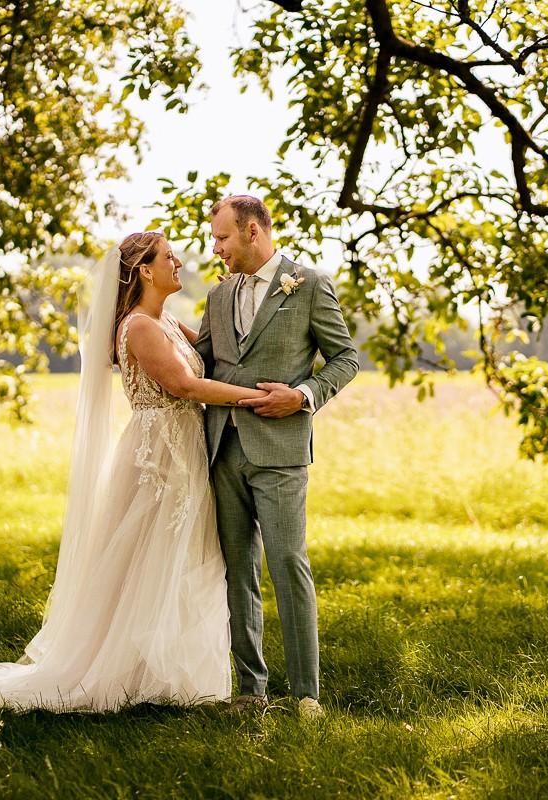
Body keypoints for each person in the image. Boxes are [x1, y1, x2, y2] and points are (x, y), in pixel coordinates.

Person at [0, 231, 269, 712]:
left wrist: (231, 298)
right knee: (148, 558)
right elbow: (185, 385)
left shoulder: (168, 323)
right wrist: (260, 398)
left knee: (179, 558)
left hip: (183, 452)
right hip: (157, 457)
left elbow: (214, 357)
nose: (178, 260)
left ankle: (165, 676)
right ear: (144, 270)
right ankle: (121, 672)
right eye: (168, 256)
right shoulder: (139, 327)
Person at [195, 196, 359, 720]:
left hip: (282, 449)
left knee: (288, 563)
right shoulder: (218, 297)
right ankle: (251, 690)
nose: (215, 248)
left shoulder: (308, 285)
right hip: (223, 449)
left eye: (222, 238)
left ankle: (306, 694)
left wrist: (303, 396)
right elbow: (200, 361)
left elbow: (345, 358)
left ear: (251, 231)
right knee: (237, 570)